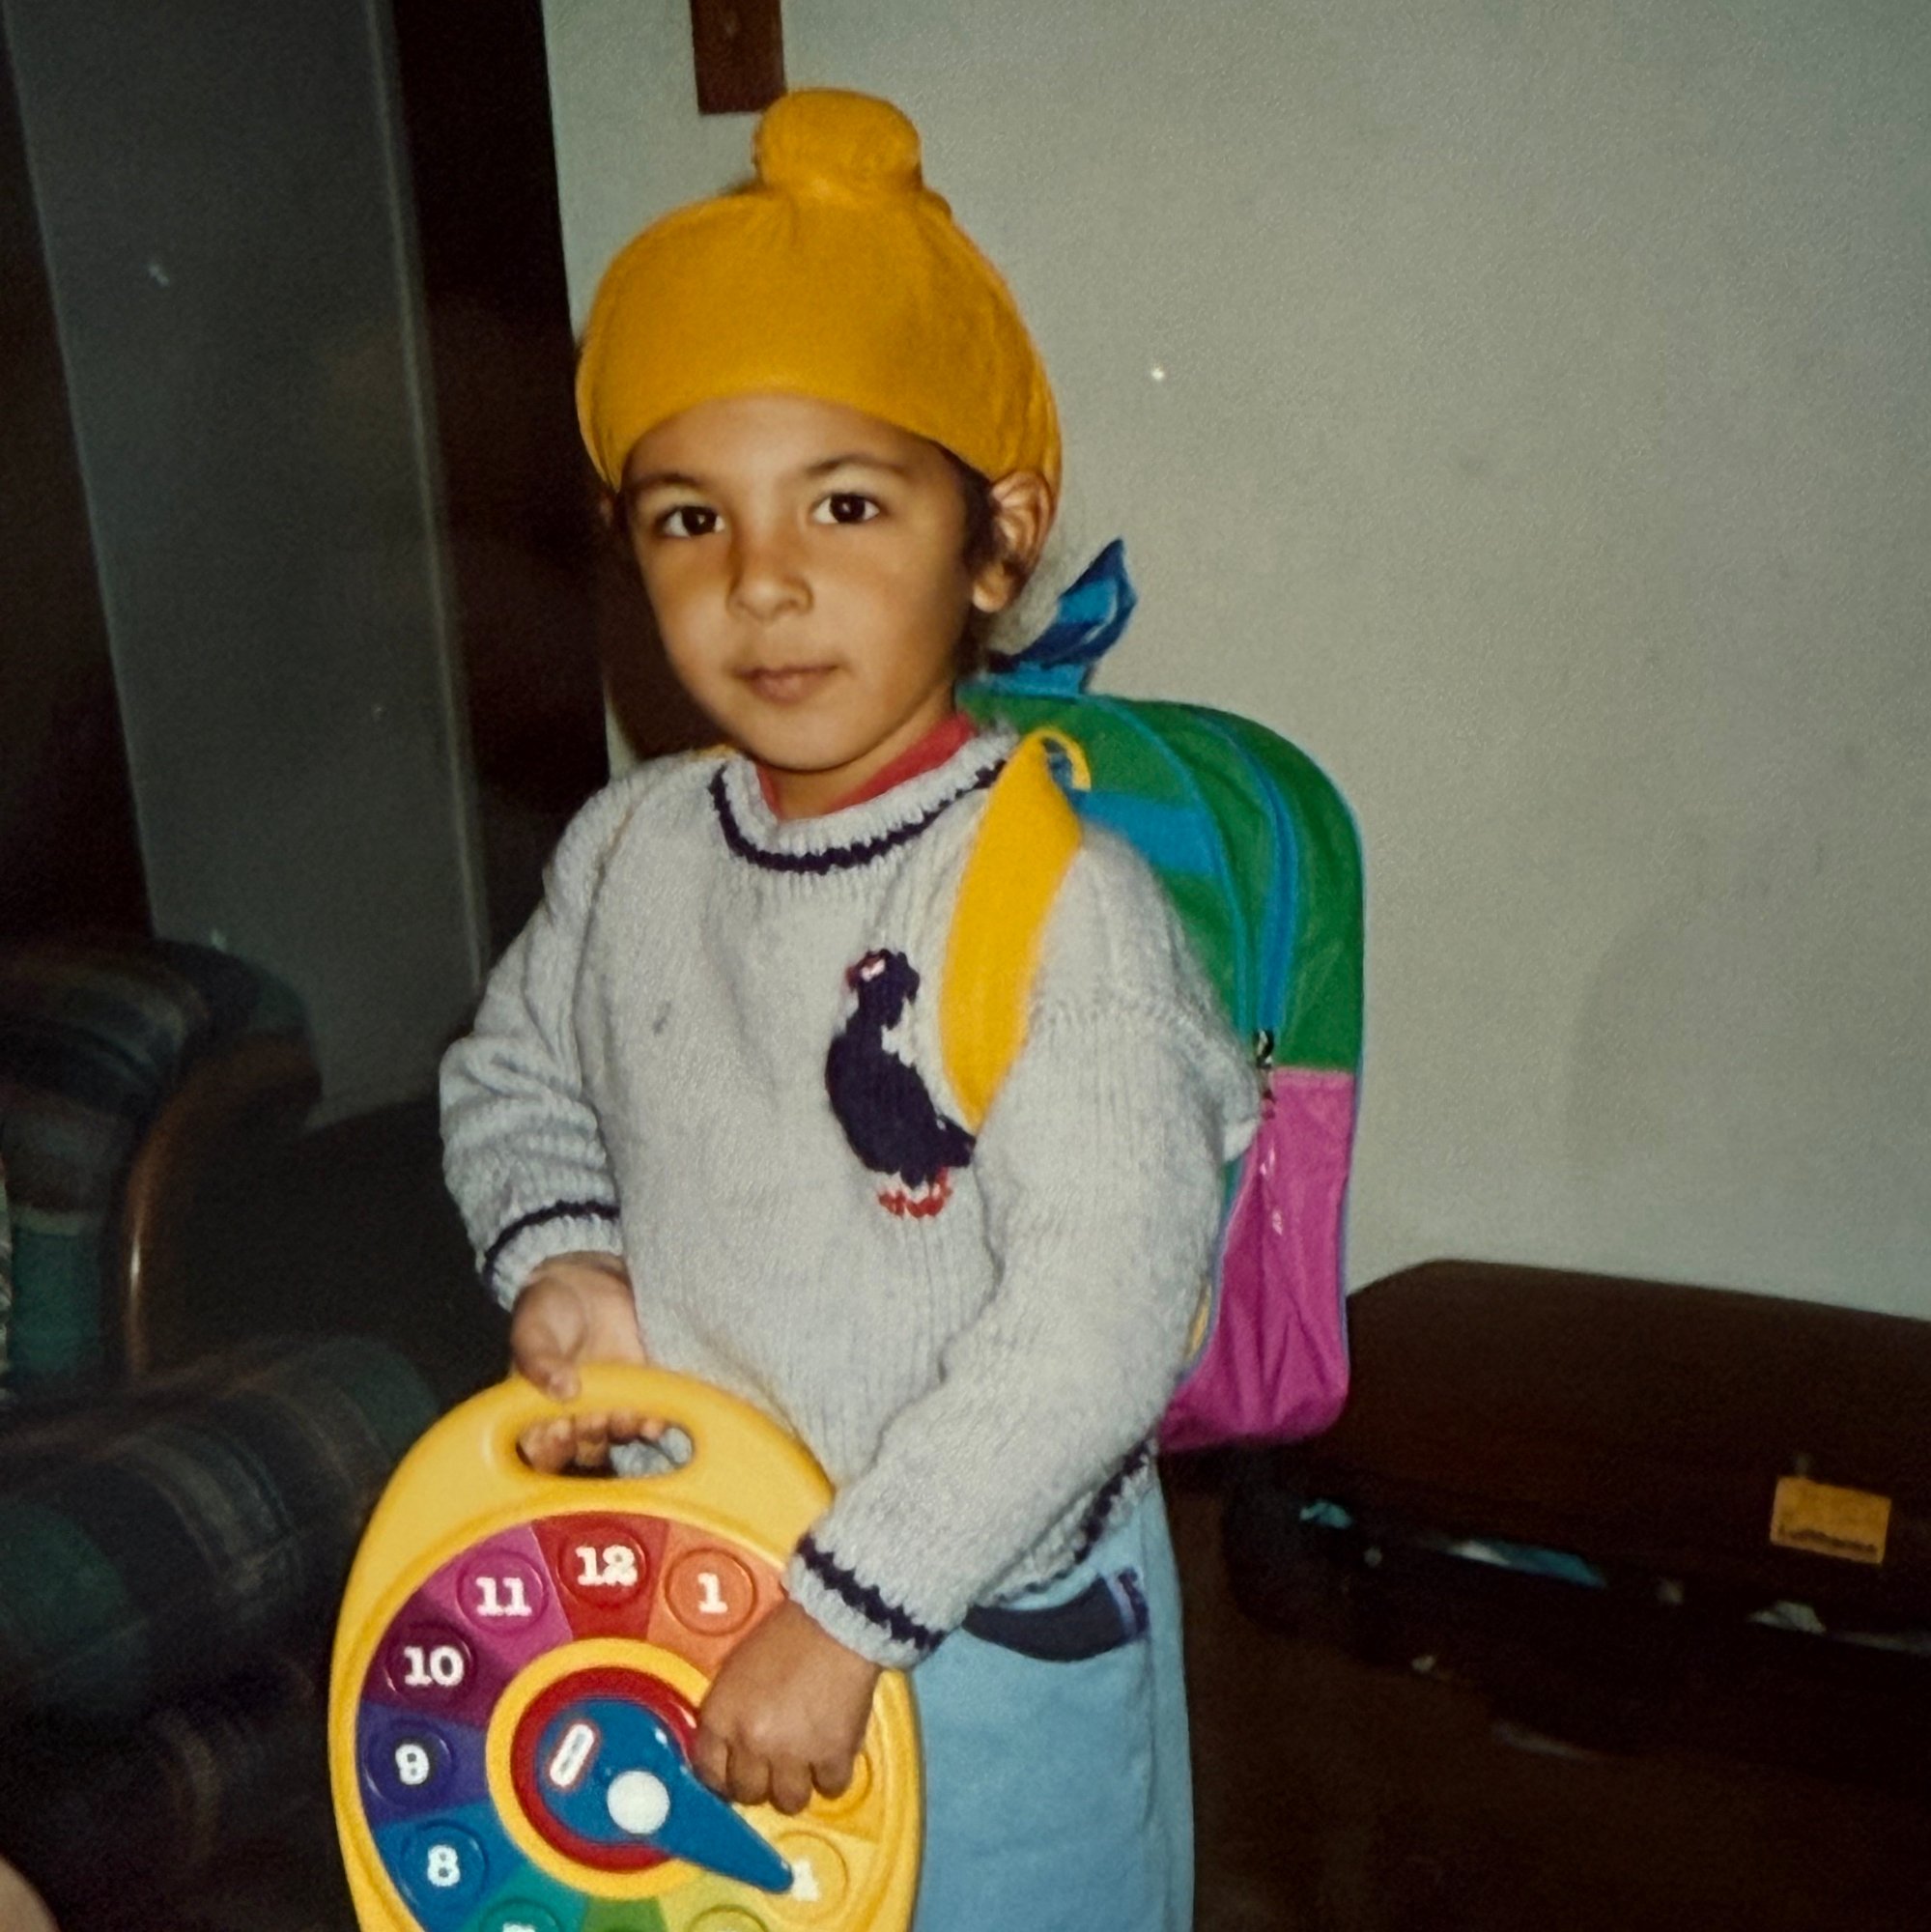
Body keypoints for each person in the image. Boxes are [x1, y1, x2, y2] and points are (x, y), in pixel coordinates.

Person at [440, 87, 1256, 1930]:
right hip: (696, 1571)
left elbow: (1100, 1320)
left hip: (978, 1632)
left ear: (997, 538)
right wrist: (565, 1255)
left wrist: (849, 1609)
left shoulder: (1062, 912)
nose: (763, 580)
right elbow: (511, 1081)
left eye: (848, 503)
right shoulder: (633, 850)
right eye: (690, 517)